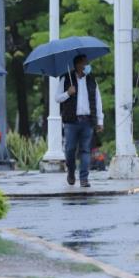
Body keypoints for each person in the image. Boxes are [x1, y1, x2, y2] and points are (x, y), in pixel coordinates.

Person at [56, 54, 104, 188]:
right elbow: (57, 98)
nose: (87, 66)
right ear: (77, 65)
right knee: (70, 150)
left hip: (87, 121)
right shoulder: (66, 78)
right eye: (85, 63)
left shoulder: (91, 80)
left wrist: (100, 120)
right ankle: (71, 172)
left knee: (85, 150)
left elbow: (98, 100)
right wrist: (67, 93)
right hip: (71, 122)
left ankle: (84, 178)